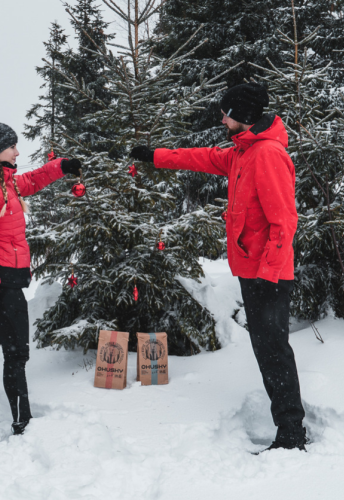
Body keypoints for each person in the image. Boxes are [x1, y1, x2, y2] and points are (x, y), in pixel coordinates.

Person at [130, 83, 308, 452]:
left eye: (226, 113)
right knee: (266, 350)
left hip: (268, 274)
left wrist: (268, 273)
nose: (222, 119)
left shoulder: (267, 155)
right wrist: (154, 156)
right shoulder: (243, 152)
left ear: (242, 115)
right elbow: (201, 158)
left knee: (273, 351)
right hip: (252, 269)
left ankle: (292, 433)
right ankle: (287, 427)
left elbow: (284, 222)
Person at [0, 114, 82, 437]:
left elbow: (33, 180)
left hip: (1, 281)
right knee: (16, 355)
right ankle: (23, 423)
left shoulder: (4, 181)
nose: (17, 152)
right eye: (12, 146)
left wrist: (62, 167)